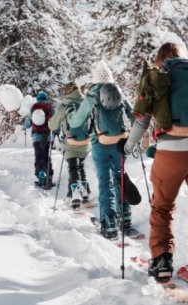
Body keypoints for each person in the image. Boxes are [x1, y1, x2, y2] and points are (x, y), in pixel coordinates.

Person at [122, 42, 188, 292]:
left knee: (161, 207)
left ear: (160, 62)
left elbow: (140, 124)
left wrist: (127, 149)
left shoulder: (157, 84)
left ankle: (161, 261)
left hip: (169, 155)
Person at [67, 60, 136, 239]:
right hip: (120, 142)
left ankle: (109, 222)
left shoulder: (92, 95)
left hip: (100, 143)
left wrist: (70, 115)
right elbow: (134, 115)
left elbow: (76, 122)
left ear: (96, 79)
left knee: (105, 182)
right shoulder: (118, 91)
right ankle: (125, 217)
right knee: (120, 177)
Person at [48, 82, 92, 209]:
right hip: (85, 141)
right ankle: (84, 193)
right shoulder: (85, 103)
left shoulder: (64, 106)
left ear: (67, 92)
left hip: (71, 142)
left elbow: (52, 126)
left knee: (73, 167)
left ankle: (75, 193)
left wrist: (51, 120)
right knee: (80, 166)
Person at [24, 91, 55, 189]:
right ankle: (48, 178)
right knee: (46, 156)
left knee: (39, 157)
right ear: (46, 98)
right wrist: (57, 132)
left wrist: (24, 126)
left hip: (36, 137)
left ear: (37, 98)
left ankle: (41, 177)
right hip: (48, 137)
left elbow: (28, 123)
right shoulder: (50, 107)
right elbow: (54, 121)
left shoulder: (33, 107)